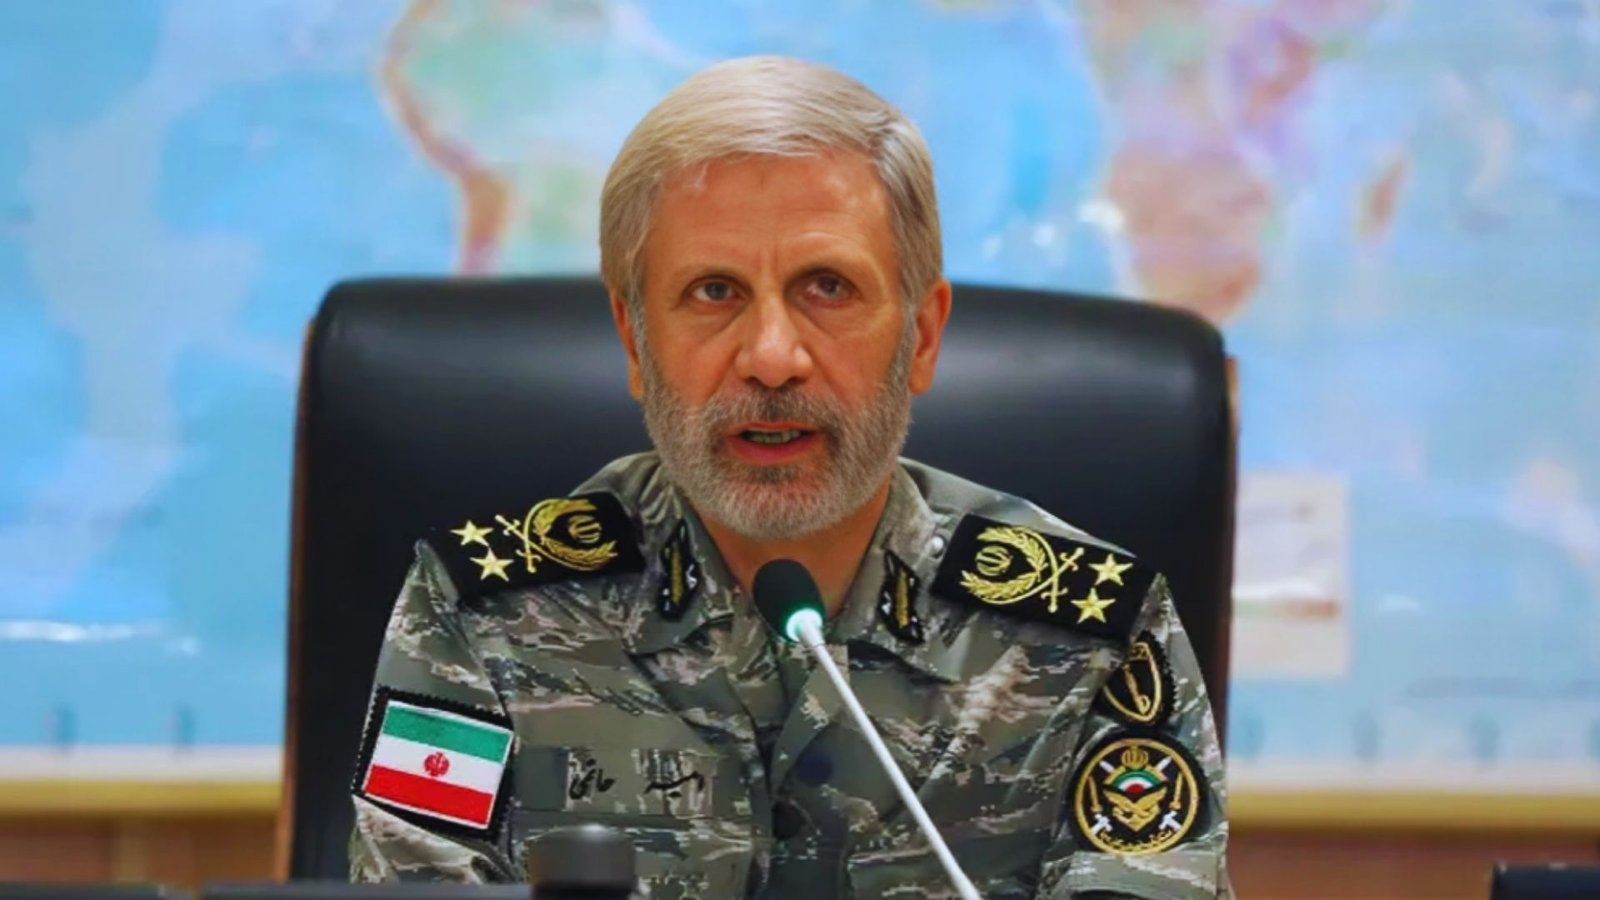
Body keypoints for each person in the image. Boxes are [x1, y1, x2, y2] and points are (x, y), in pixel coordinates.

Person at [348, 55, 1230, 899]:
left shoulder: (1090, 634)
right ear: (635, 342)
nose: (772, 358)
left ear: (922, 336)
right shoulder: (484, 615)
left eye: (827, 288)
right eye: (714, 292)